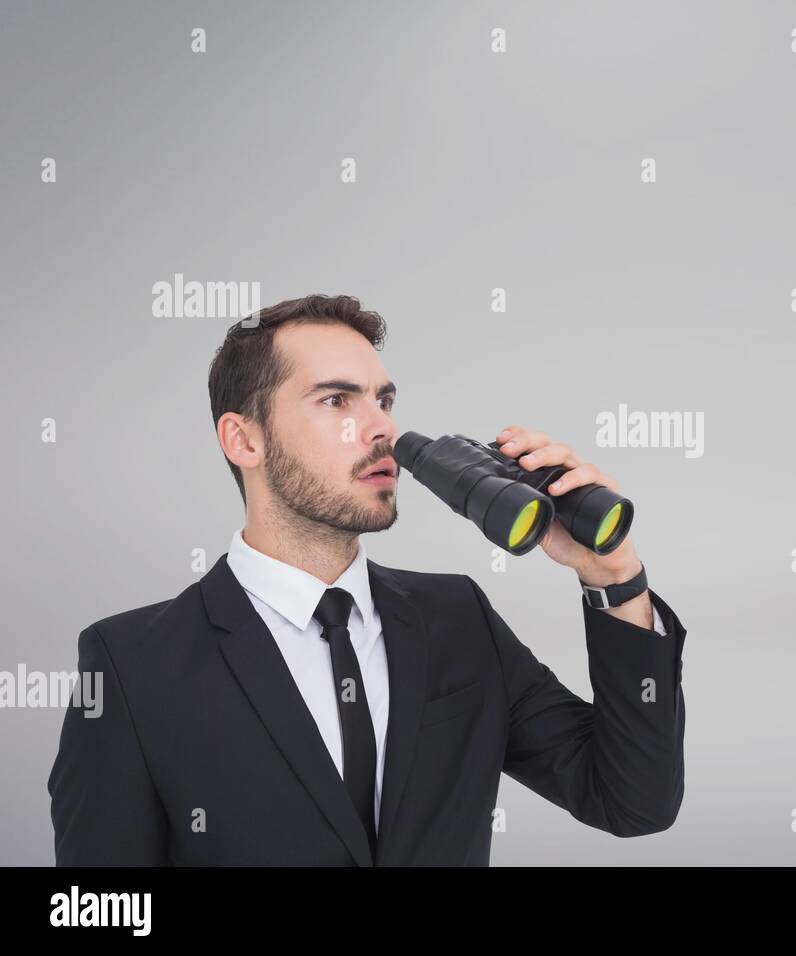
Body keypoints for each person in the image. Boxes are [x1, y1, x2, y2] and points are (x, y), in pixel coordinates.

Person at [47, 294, 687, 866]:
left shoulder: (456, 618)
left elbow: (632, 801)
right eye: (335, 400)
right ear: (244, 439)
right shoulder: (131, 664)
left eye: (383, 400)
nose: (382, 427)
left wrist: (614, 578)